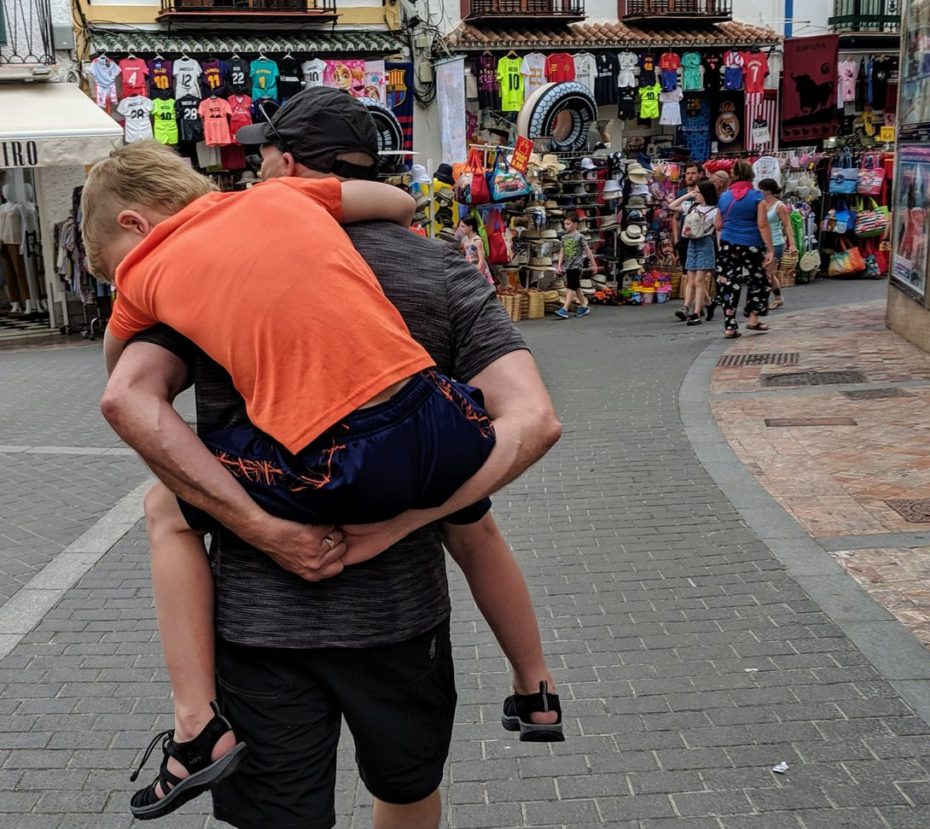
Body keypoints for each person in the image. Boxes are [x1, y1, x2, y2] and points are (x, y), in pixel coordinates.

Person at [98, 87, 563, 829]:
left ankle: (193, 723)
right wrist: (413, 519)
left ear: (284, 161)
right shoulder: (441, 272)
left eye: (262, 155)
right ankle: (535, 681)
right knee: (406, 791)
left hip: (262, 619)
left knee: (166, 507)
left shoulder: (213, 258)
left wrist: (258, 528)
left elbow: (128, 392)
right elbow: (533, 420)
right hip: (402, 615)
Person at [715, 159, 774, 339]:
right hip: (752, 244)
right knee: (759, 279)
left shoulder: (724, 197)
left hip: (728, 244)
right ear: (751, 176)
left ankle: (730, 326)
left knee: (729, 283)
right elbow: (762, 225)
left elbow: (718, 224)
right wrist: (770, 249)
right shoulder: (757, 197)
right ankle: (753, 318)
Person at [678, 180, 719, 326]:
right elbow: (672, 206)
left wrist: (720, 249)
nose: (696, 195)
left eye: (698, 192)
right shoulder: (693, 207)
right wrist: (687, 195)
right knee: (691, 280)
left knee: (699, 280)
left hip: (705, 242)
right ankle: (708, 303)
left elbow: (719, 230)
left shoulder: (714, 210)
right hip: (691, 243)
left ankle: (696, 312)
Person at [668, 162, 703, 320]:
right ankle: (702, 304)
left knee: (697, 275)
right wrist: (676, 240)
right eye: (687, 173)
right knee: (689, 274)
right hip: (684, 238)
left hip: (700, 238)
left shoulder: (704, 192)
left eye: (693, 173)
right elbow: (675, 218)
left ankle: (693, 305)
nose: (690, 176)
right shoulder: (682, 193)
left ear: (700, 174)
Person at [758, 177, 796, 310]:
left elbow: (787, 225)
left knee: (767, 273)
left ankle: (761, 301)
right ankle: (778, 297)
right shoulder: (761, 203)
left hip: (776, 243)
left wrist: (792, 244)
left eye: (761, 189)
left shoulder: (779, 206)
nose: (760, 191)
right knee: (769, 272)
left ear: (768, 190)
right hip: (763, 241)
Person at [554, 214, 597, 319]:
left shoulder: (580, 237)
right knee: (576, 287)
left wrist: (594, 263)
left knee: (570, 286)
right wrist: (559, 265)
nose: (565, 226)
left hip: (577, 265)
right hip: (568, 265)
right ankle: (584, 305)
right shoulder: (564, 237)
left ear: (575, 224)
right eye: (564, 224)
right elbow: (562, 252)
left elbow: (587, 251)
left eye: (568, 224)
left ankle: (565, 308)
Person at [457, 215, 494, 284]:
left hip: (478, 268)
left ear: (470, 227)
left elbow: (481, 259)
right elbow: (462, 253)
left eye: (463, 226)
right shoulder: (464, 239)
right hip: (469, 267)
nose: (460, 229)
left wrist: (477, 271)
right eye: (460, 226)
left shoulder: (477, 241)